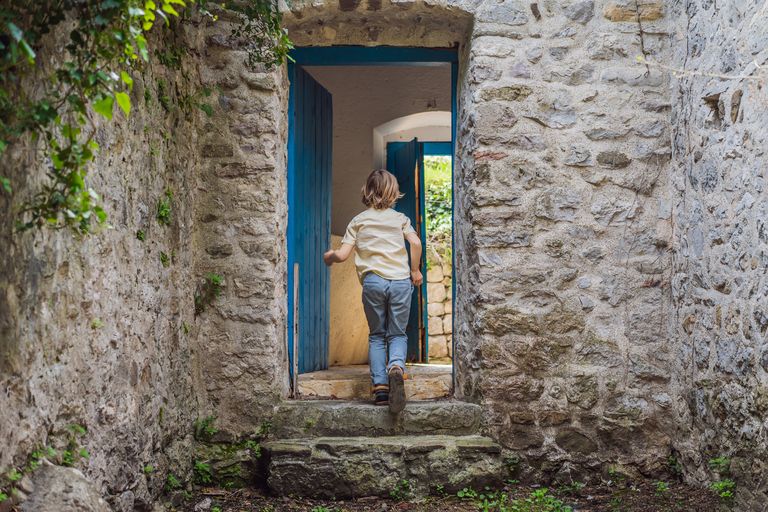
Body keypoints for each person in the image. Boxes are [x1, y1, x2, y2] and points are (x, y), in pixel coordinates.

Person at [323, 169, 423, 413]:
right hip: (400, 281)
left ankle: (380, 388)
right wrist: (415, 270)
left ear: (367, 191)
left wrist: (332, 255)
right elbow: (416, 243)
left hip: (373, 283)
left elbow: (344, 254)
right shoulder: (400, 219)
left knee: (377, 334)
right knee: (397, 333)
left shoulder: (358, 221)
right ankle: (396, 367)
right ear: (393, 192)